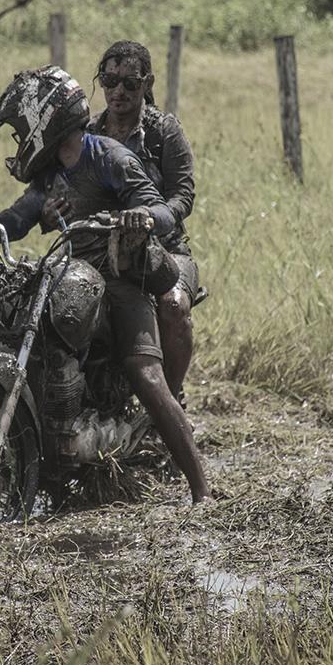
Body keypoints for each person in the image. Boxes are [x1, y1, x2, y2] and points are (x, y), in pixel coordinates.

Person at [0, 65, 212, 504]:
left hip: (121, 280)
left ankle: (201, 487)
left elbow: (160, 206)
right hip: (70, 273)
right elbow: (19, 217)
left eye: (22, 130)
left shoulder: (109, 156)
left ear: (47, 119)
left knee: (146, 375)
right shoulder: (50, 173)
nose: (20, 141)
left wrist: (141, 216)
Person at [87, 40, 200, 405]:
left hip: (167, 252)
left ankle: (170, 403)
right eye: (109, 80)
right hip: (103, 254)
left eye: (130, 83)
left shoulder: (163, 131)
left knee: (173, 306)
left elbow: (184, 196)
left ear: (147, 83)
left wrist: (151, 217)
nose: (118, 91)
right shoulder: (88, 136)